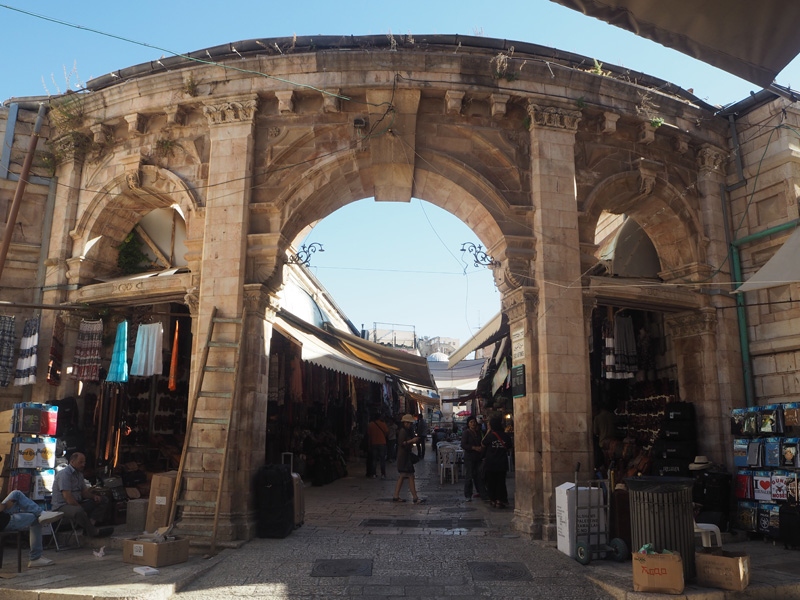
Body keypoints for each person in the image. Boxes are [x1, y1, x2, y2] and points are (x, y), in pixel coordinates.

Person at [51, 452, 113, 537]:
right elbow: (68, 497)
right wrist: (80, 507)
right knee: (79, 511)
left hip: (77, 502)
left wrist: (94, 497)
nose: (83, 465)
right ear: (72, 462)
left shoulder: (79, 474)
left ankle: (89, 527)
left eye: (84, 462)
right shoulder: (64, 474)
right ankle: (93, 532)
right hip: (62, 505)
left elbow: (84, 492)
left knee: (103, 500)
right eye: (80, 462)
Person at [0, 490, 62, 567]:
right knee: (36, 519)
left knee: (16, 494)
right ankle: (35, 557)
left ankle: (41, 513)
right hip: (3, 521)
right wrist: (5, 505)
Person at [392, 414, 425, 504]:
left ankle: (396, 496)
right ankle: (415, 498)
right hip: (404, 457)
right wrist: (412, 441)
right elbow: (402, 443)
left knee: (404, 476)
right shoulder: (403, 431)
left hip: (404, 456)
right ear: (404, 423)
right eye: (408, 423)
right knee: (409, 476)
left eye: (410, 423)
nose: (409, 425)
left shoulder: (404, 431)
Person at [481, 416, 513, 508]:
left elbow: (482, 444)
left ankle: (493, 500)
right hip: (502, 462)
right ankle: (500, 500)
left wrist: (488, 431)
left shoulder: (490, 436)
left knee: (491, 482)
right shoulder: (505, 436)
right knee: (501, 482)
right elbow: (510, 447)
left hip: (491, 463)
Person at [461, 416, 486, 502]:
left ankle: (482, 493)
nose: (473, 423)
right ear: (468, 424)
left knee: (479, 476)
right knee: (469, 476)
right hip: (469, 457)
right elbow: (463, 445)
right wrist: (474, 448)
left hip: (478, 457)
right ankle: (468, 494)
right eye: (471, 422)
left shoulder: (478, 432)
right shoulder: (466, 433)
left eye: (474, 422)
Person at [366, 414, 389, 479]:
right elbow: (387, 432)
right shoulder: (383, 424)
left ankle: (373, 473)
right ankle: (383, 474)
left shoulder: (370, 424)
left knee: (374, 459)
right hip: (382, 442)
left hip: (373, 443)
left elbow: (369, 435)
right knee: (382, 459)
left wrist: (369, 444)